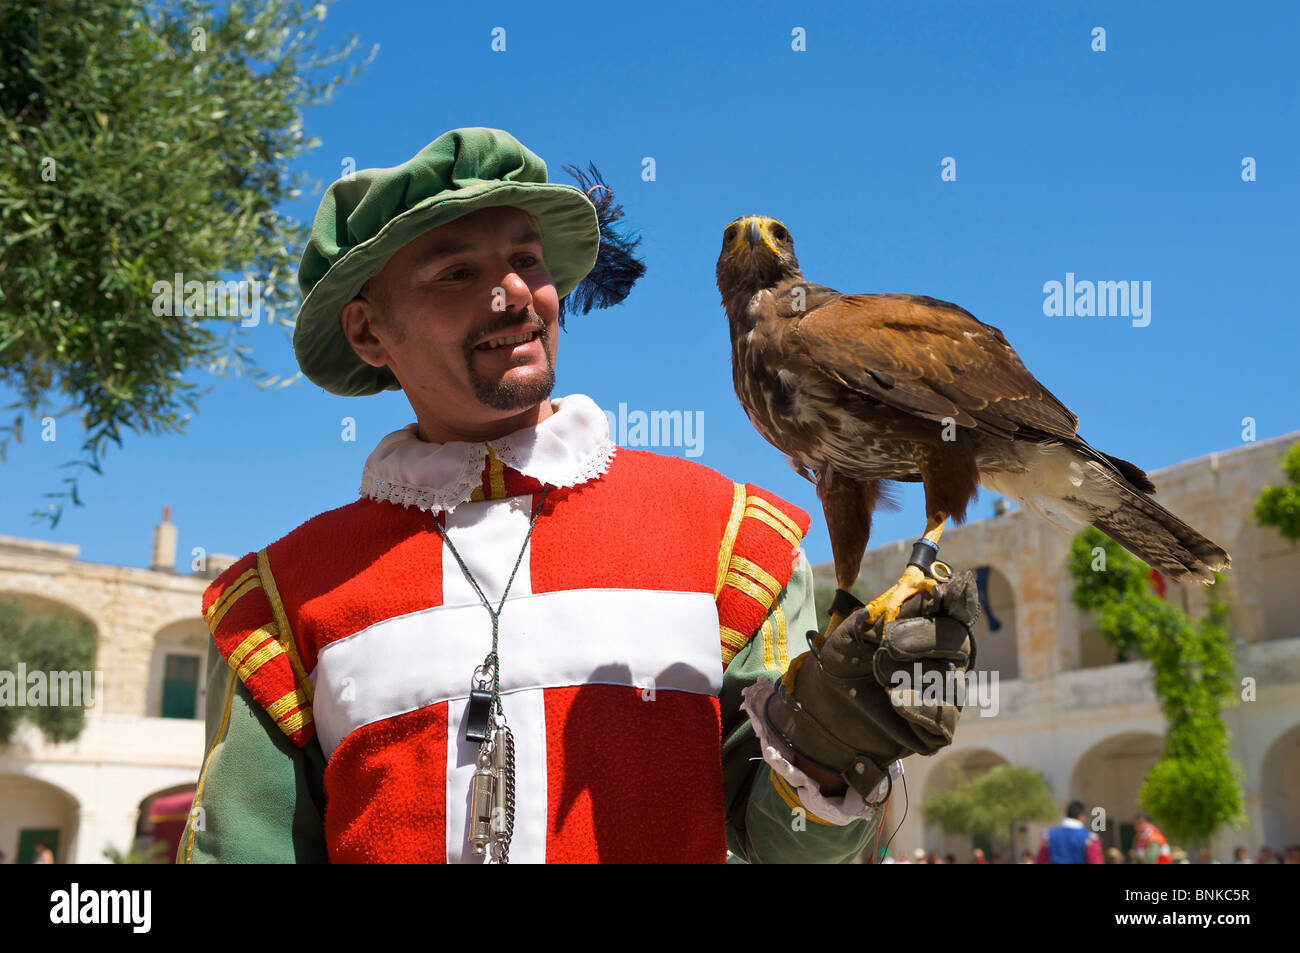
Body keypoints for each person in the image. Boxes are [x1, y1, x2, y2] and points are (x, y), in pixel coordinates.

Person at [177, 128, 979, 865]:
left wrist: (829, 753)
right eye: (457, 272)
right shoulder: (283, 599)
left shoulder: (734, 543)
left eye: (529, 261)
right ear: (367, 331)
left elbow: (795, 852)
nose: (514, 293)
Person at [1035, 800, 1102, 864]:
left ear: (1066, 814)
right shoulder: (1090, 838)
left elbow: (1040, 861)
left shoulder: (1049, 835)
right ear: (1081, 816)